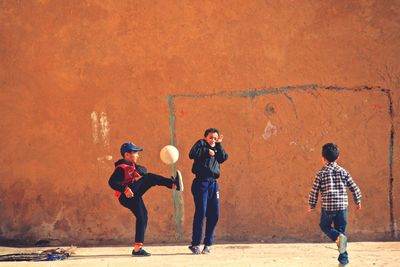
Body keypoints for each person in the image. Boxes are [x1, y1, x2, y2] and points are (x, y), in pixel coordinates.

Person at [108, 142, 183, 256]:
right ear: (127, 155)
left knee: (143, 216)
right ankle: (173, 184)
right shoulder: (121, 168)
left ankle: (137, 249)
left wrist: (139, 170)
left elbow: (143, 170)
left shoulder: (132, 165)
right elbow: (112, 182)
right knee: (150, 178)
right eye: (135, 152)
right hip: (126, 196)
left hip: (133, 196)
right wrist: (124, 189)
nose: (138, 154)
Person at [308, 143, 362, 266]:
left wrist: (311, 205)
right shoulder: (343, 172)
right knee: (342, 233)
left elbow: (314, 191)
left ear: (323, 158)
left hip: (328, 208)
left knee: (324, 226)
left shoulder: (320, 174)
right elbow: (354, 187)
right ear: (338, 157)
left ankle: (338, 239)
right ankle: (343, 261)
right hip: (342, 208)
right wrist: (357, 200)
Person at [188, 128, 228, 254]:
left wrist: (219, 145)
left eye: (215, 138)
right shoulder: (200, 144)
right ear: (206, 137)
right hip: (201, 183)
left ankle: (208, 244)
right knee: (201, 212)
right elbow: (192, 154)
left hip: (213, 184)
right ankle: (195, 244)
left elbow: (223, 158)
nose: (213, 140)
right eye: (211, 137)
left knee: (214, 214)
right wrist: (206, 151)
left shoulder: (217, 147)